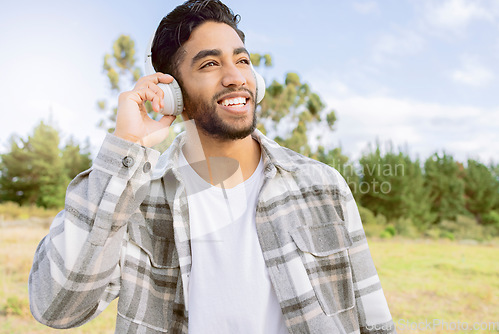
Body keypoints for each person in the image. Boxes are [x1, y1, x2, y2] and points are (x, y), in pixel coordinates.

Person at [29, 1, 396, 333]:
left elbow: (372, 317)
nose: (236, 76)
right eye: (209, 63)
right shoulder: (135, 199)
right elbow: (56, 308)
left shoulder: (322, 185)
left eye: (242, 60)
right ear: (174, 95)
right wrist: (127, 148)